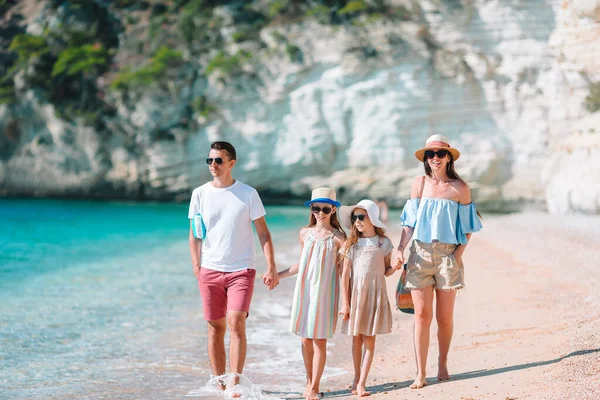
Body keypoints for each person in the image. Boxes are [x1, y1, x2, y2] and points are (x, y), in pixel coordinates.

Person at [188, 141, 279, 395]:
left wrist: (271, 266)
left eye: (218, 160)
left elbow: (264, 233)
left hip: (242, 269)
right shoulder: (200, 194)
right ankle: (218, 382)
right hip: (210, 269)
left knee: (236, 321)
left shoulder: (248, 194)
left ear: (231, 163)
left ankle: (235, 382)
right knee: (215, 327)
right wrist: (197, 265)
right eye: (209, 161)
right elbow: (195, 234)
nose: (213, 165)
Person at [392, 134, 482, 389]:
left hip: (447, 256)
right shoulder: (419, 184)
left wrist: (455, 257)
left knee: (444, 317)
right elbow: (409, 223)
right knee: (421, 315)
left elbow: (468, 228)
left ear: (449, 157)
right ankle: (420, 373)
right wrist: (400, 249)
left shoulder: (459, 188)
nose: (435, 158)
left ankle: (442, 363)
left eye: (440, 154)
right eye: (430, 154)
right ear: (425, 159)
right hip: (419, 254)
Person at [277, 187, 346, 400]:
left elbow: (343, 271)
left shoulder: (339, 238)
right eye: (316, 208)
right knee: (305, 340)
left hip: (325, 292)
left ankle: (315, 387)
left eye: (326, 208)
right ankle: (309, 382)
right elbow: (302, 264)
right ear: (312, 209)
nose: (320, 212)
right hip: (305, 290)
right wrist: (277, 275)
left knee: (319, 341)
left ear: (333, 210)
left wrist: (346, 302)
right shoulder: (304, 233)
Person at [338, 200, 396, 397]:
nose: (357, 221)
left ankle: (362, 382)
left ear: (372, 218)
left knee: (370, 338)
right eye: (354, 218)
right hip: (356, 294)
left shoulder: (384, 243)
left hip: (375, 293)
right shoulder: (351, 244)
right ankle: (355, 378)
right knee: (356, 338)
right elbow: (345, 275)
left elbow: (386, 271)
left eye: (361, 217)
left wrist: (395, 267)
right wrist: (345, 303)